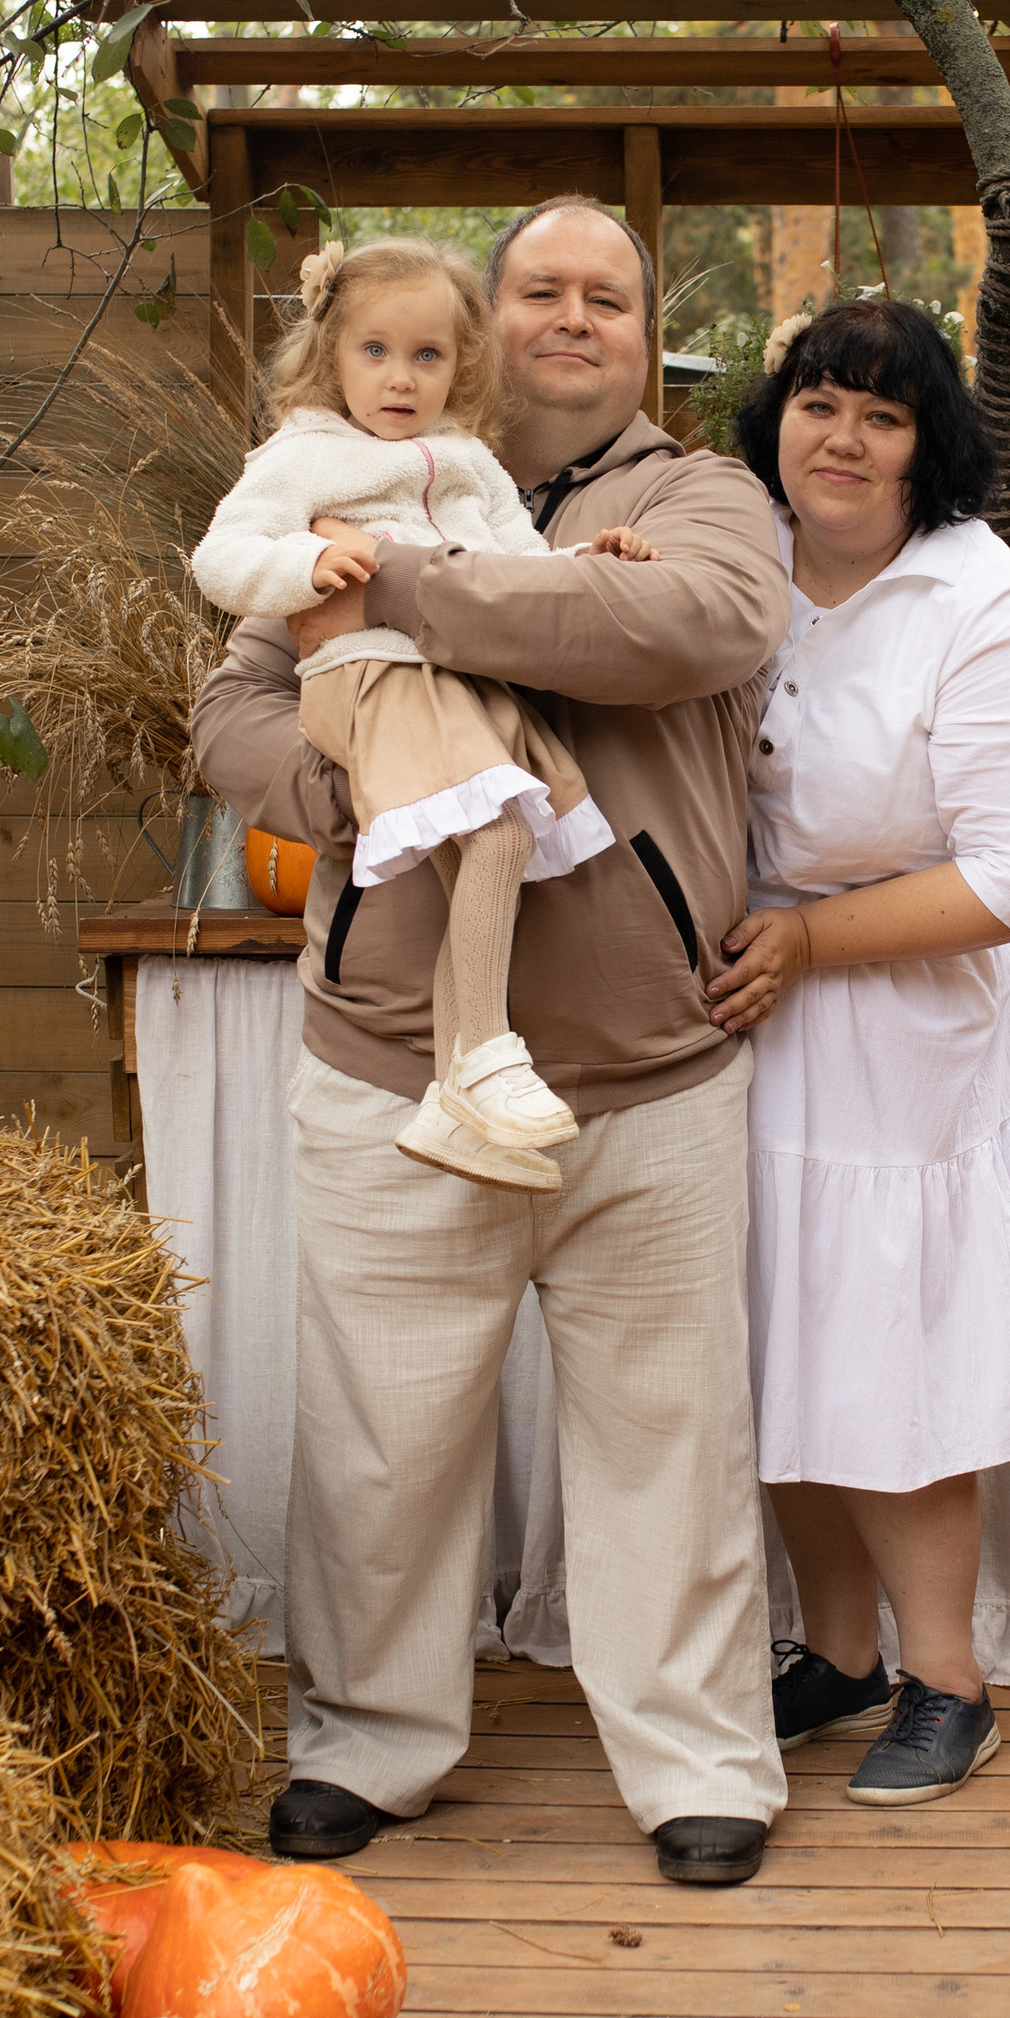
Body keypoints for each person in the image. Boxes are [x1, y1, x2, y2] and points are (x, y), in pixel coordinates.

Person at [190, 194, 794, 1887]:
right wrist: (377, 788)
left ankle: (698, 1764)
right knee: (384, 1435)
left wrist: (408, 594)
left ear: (643, 327)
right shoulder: (341, 475)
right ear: (483, 318)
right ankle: (370, 1745)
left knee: (668, 1440)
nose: (575, 317)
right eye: (543, 288)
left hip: (644, 1076)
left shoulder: (700, 498)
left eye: (610, 294)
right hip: (389, 1060)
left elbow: (679, 630)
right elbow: (231, 706)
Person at [704, 296, 1010, 1805]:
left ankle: (948, 1679)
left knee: (894, 1358)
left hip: (904, 1033)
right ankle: (839, 1653)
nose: (844, 438)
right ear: (778, 419)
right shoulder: (742, 567)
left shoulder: (985, 604)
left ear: (928, 446)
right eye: (819, 402)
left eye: (883, 414)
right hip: (751, 1017)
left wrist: (807, 937)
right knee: (782, 1342)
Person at [187, 234, 655, 1190]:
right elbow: (221, 557)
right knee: (495, 838)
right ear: (331, 358)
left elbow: (512, 572)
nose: (401, 379)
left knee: (496, 847)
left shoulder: (470, 464)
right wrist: (303, 567)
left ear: (463, 365)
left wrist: (587, 568)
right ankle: (485, 1058)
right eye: (376, 352)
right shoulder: (306, 453)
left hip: (455, 688)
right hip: (366, 678)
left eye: (428, 356)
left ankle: (455, 1099)